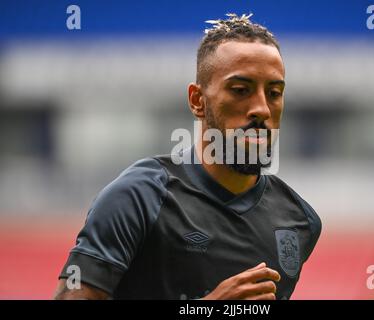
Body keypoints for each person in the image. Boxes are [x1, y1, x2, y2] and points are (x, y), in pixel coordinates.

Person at [54, 13, 321, 300]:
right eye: (241, 90)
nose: (262, 109)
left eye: (274, 92)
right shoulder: (140, 196)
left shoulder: (300, 221)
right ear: (197, 100)